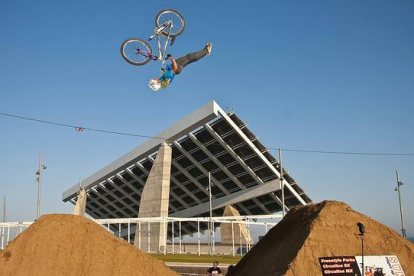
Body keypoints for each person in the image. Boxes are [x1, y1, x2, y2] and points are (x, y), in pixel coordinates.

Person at [148, 43, 212, 91]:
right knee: (190, 57)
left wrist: (163, 69)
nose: (154, 78)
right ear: (156, 83)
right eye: (153, 80)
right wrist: (171, 58)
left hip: (176, 68)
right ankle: (206, 51)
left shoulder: (162, 82)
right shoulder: (166, 77)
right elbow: (174, 69)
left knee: (190, 58)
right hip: (177, 66)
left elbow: (165, 74)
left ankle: (205, 52)